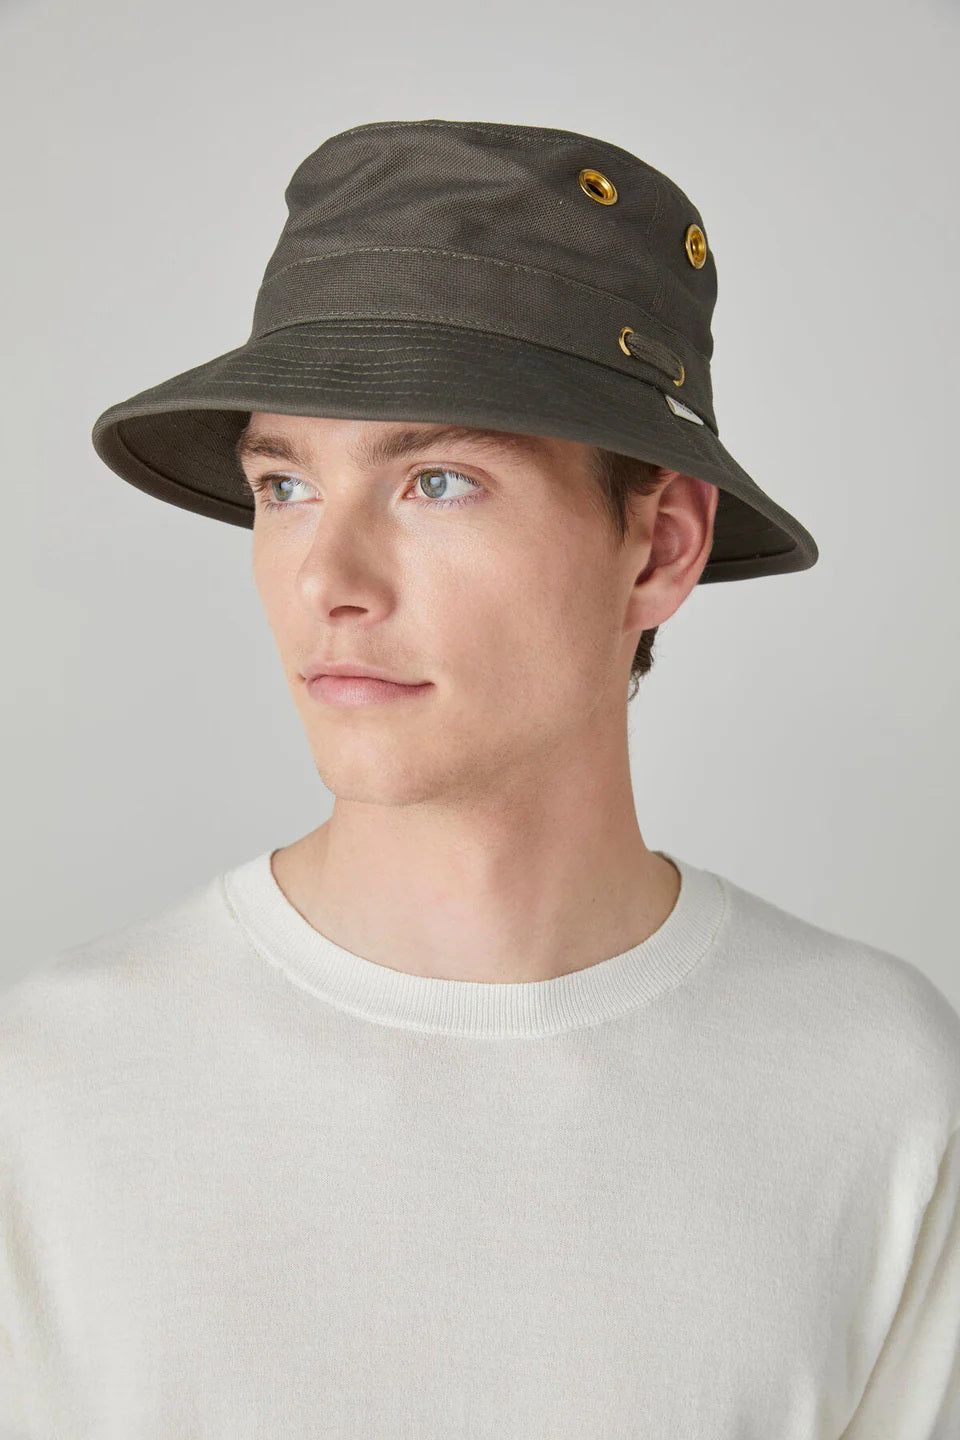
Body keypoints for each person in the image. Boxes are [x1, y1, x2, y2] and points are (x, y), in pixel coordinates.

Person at [2, 118, 958, 1439]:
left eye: (437, 481)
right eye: (285, 484)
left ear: (659, 547)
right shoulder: (49, 1094)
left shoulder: (880, 1092)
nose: (327, 582)